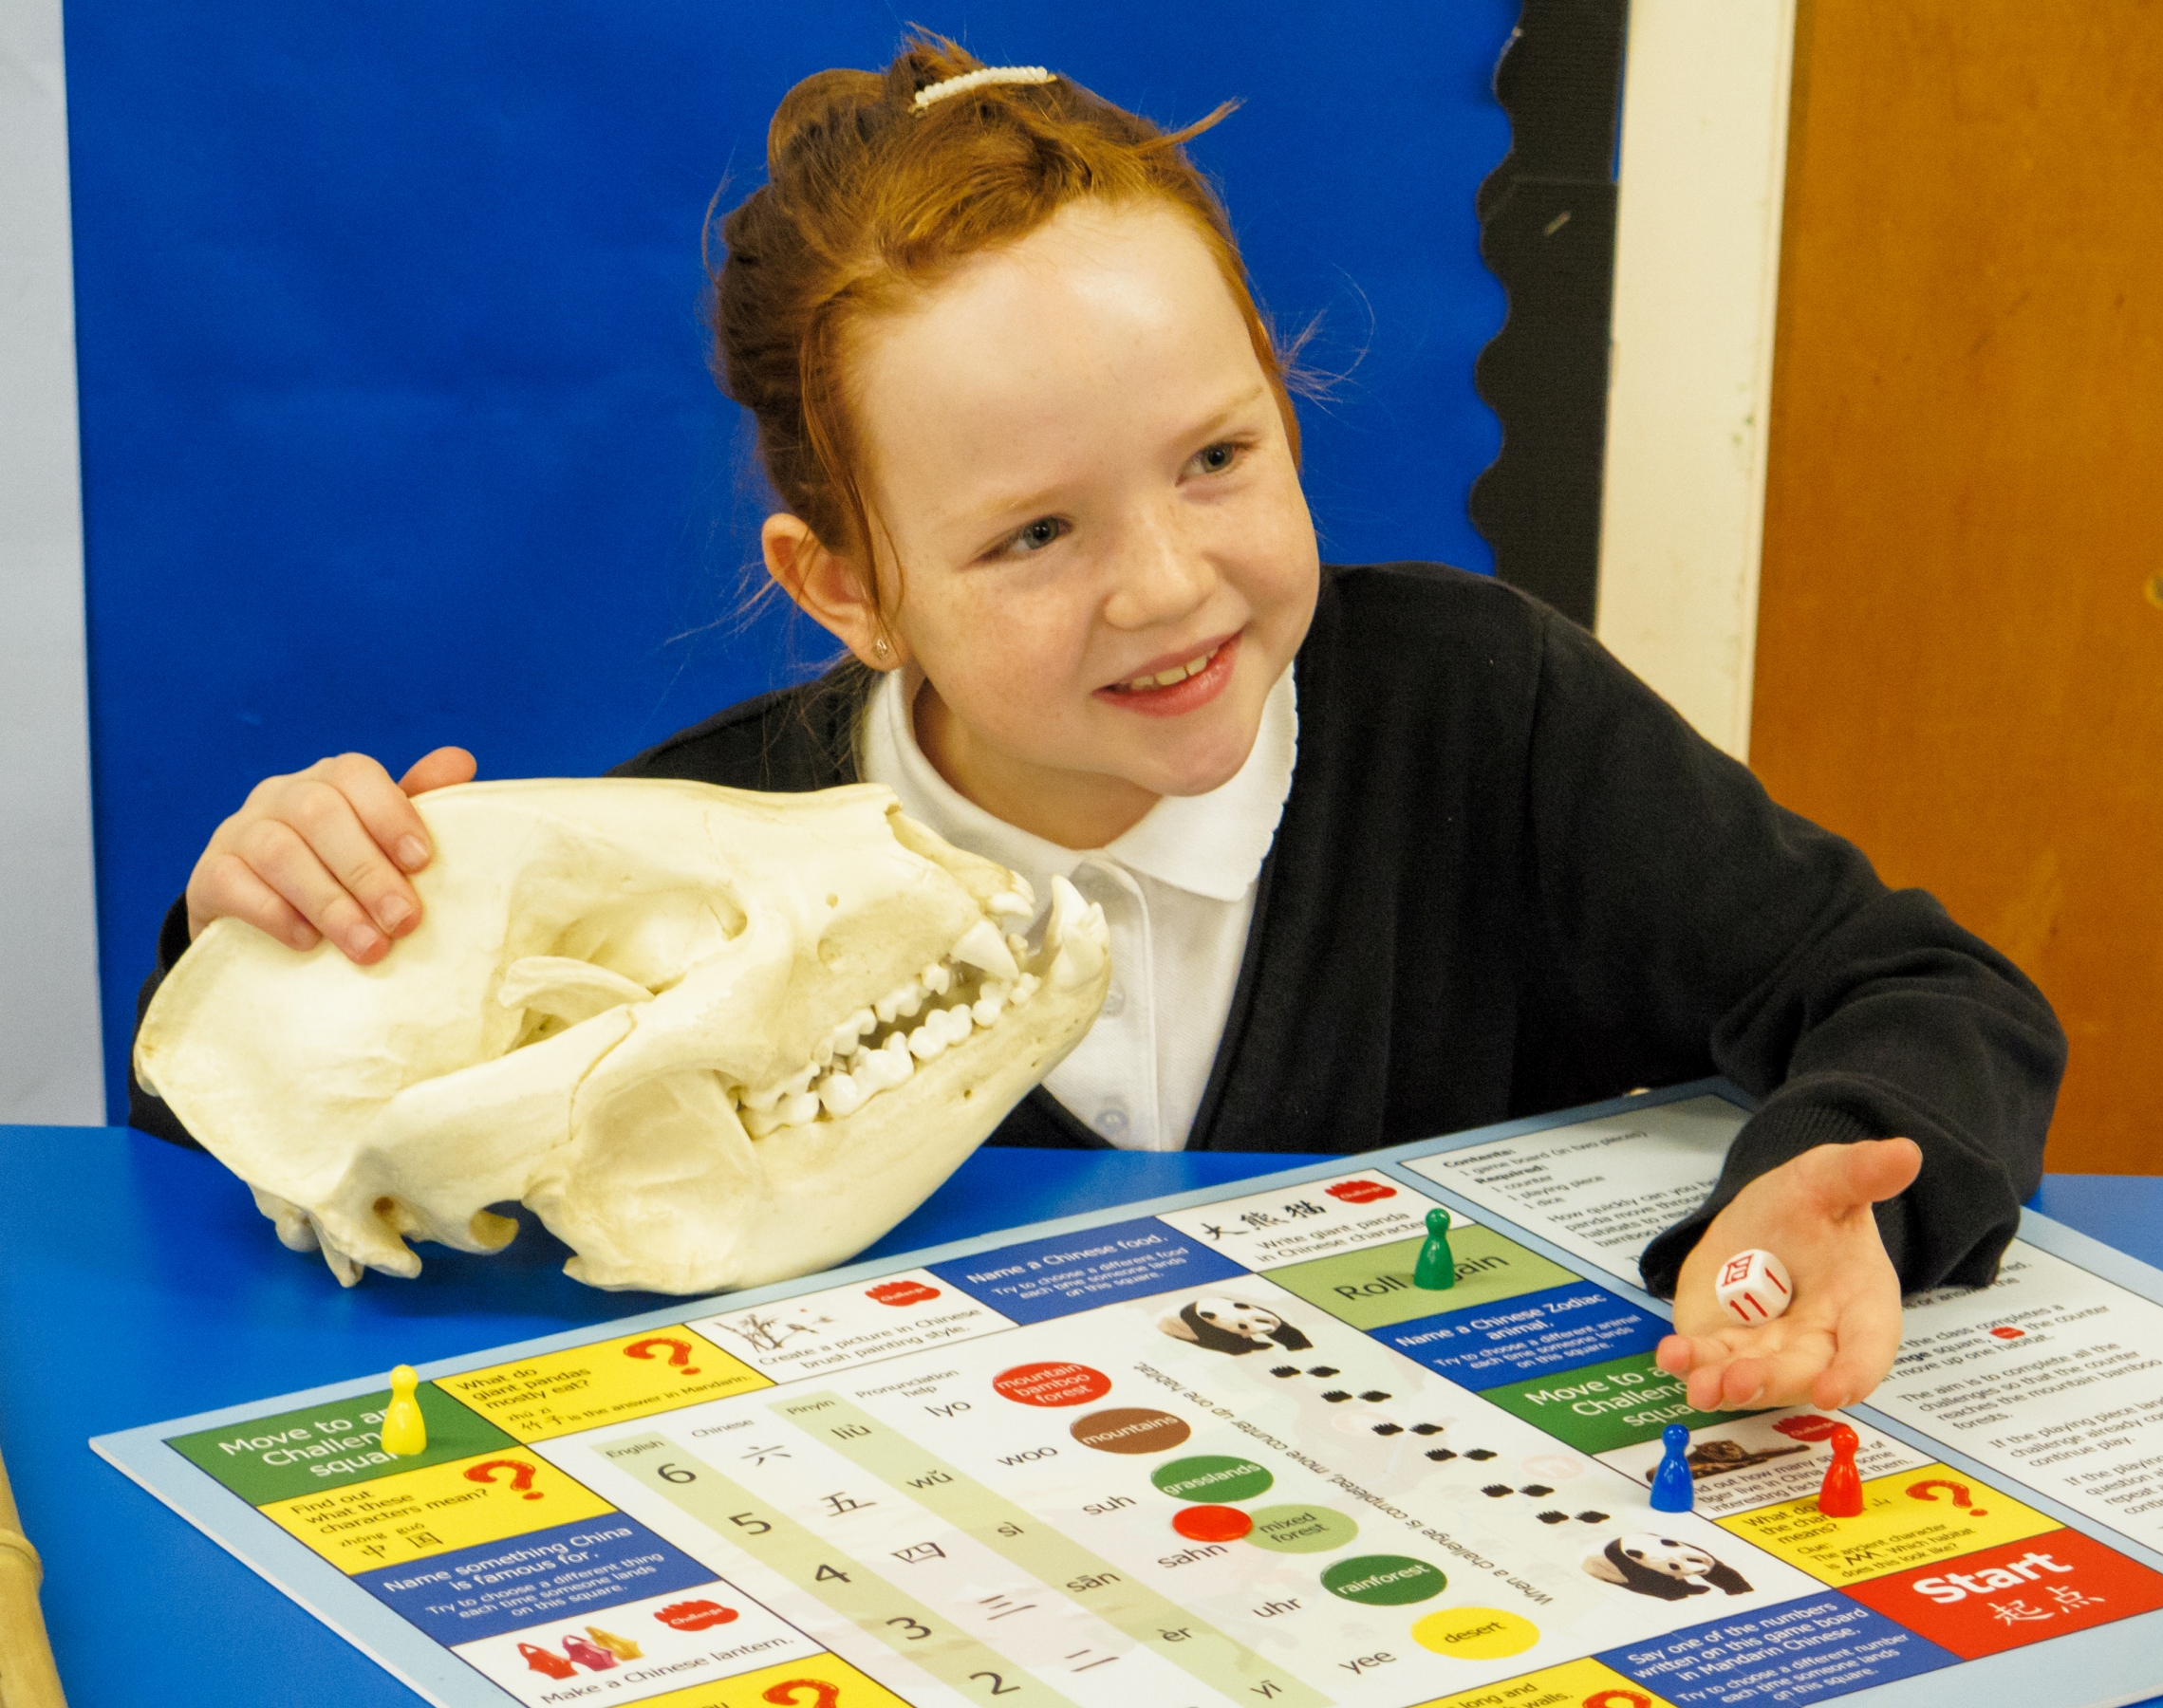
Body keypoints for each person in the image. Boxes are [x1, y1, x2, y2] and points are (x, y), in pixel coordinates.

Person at [128, 37, 2064, 1418]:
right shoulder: (669, 852)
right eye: (1035, 533)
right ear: (848, 587)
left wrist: (1844, 1171)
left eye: (1219, 457)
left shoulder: (1485, 718)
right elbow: (268, 1153)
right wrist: (283, 924)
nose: (1165, 585)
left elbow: (1923, 989)